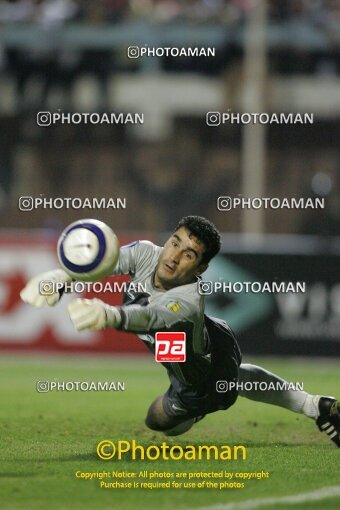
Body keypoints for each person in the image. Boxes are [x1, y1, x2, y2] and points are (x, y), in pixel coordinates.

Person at [20, 216, 340, 445]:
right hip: (208, 339)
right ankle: (317, 406)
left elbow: (152, 316)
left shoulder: (188, 299)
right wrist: (60, 278)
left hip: (200, 379)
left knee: (159, 422)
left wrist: (110, 315)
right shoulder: (148, 253)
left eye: (188, 254)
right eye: (175, 242)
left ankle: (201, 406)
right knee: (236, 376)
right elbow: (104, 261)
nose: (173, 257)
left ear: (200, 269)